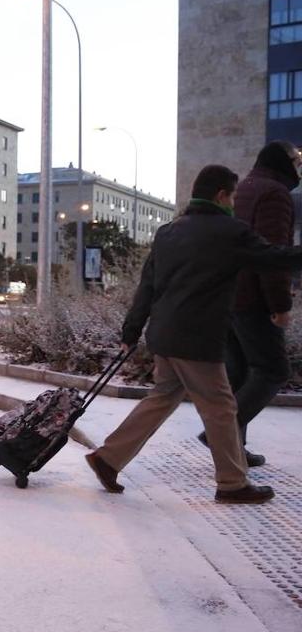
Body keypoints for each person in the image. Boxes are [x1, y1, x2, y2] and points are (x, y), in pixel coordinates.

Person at [84, 164, 302, 504]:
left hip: (165, 335)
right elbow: (275, 258)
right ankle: (232, 484)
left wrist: (132, 328)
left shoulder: (169, 231)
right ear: (221, 195)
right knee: (221, 407)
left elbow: (148, 285)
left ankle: (108, 458)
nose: (234, 202)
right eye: (232, 195)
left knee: (161, 399)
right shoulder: (230, 232)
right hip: (197, 338)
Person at [212, 141, 302, 466]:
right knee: (273, 369)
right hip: (253, 297)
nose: (300, 166)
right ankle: (222, 433)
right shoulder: (275, 193)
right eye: (298, 159)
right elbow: (271, 252)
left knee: (238, 373)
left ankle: (232, 448)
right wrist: (280, 304)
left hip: (228, 297)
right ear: (284, 162)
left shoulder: (245, 188)